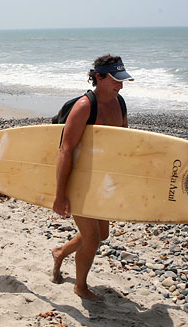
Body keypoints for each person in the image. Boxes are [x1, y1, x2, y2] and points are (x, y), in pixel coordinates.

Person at [51, 55, 134, 301]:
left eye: (122, 80)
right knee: (92, 237)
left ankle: (60, 252)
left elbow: (123, 141)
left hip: (103, 179)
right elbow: (65, 149)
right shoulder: (85, 106)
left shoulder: (120, 103)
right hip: (80, 179)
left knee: (103, 234)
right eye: (115, 80)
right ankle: (80, 286)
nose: (121, 85)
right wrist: (60, 194)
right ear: (99, 77)